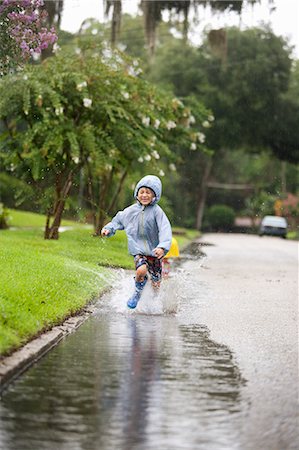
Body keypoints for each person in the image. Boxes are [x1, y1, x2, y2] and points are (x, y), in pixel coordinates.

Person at [101, 175, 172, 309]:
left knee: (156, 283)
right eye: (142, 192)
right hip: (138, 250)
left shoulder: (157, 212)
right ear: (137, 194)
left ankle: (155, 301)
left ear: (154, 196)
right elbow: (118, 220)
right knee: (141, 271)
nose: (144, 195)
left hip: (155, 252)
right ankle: (137, 294)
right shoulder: (130, 211)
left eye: (148, 192)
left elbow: (165, 229)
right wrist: (109, 229)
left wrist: (162, 247)